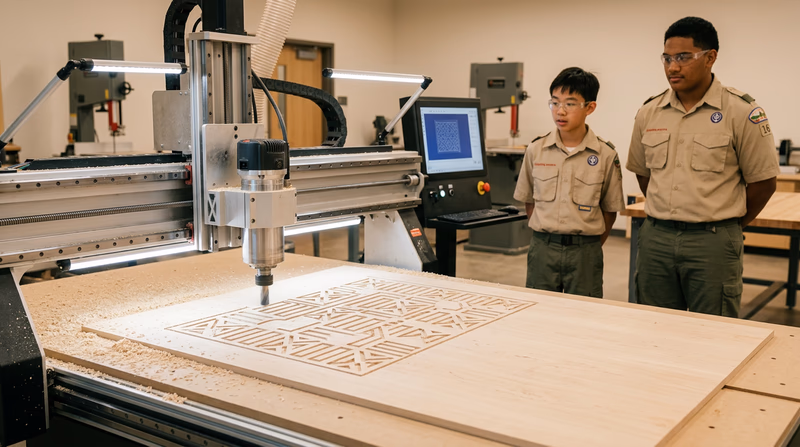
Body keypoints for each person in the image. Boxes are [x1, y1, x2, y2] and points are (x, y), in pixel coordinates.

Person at [626, 16, 779, 317]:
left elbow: (763, 183)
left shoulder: (741, 112)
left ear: (710, 57)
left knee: (714, 333)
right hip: (657, 238)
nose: (673, 67)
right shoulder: (649, 112)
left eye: (684, 57)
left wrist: (724, 225)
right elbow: (644, 174)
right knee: (653, 328)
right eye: (667, 58)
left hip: (712, 241)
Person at [514, 67, 625, 298]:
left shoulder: (605, 154)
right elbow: (529, 203)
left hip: (585, 251)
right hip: (543, 248)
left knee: (584, 316)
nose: (560, 111)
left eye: (570, 104)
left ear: (590, 107)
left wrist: (588, 246)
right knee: (539, 311)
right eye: (554, 103)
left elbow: (609, 210)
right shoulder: (536, 150)